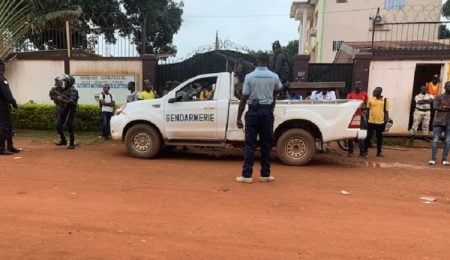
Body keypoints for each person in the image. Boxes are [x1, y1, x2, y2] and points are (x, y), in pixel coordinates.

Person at [236, 53, 282, 184]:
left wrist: (239, 118)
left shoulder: (249, 77)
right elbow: (279, 88)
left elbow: (244, 97)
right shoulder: (274, 76)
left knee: (250, 145)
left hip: (253, 112)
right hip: (267, 113)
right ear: (268, 63)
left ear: (257, 61)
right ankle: (265, 175)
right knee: (266, 145)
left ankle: (246, 176)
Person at [362, 87, 389, 158]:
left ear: (380, 92)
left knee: (379, 138)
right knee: (368, 137)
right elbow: (367, 111)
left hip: (380, 122)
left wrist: (385, 121)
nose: (373, 92)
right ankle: (365, 151)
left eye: (375, 91)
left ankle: (379, 152)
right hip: (371, 122)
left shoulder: (385, 101)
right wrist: (367, 120)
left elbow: (386, 112)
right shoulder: (370, 100)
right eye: (374, 90)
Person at [0, 59, 20, 155]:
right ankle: (1, 148)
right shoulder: (1, 79)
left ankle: (10, 146)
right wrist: (14, 104)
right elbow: (7, 94)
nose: (4, 67)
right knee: (5, 126)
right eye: (3, 65)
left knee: (8, 125)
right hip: (2, 106)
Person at [428, 82, 450, 166]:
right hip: (438, 122)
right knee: (435, 140)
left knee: (448, 141)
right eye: (447, 86)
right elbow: (434, 107)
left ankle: (444, 159)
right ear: (444, 87)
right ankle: (433, 158)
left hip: (449, 122)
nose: (449, 88)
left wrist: (444, 107)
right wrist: (446, 108)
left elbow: (439, 107)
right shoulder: (438, 97)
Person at [55, 75, 79, 149]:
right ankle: (63, 140)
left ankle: (72, 144)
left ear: (69, 82)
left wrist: (61, 99)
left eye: (65, 81)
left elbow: (72, 102)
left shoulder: (73, 90)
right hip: (62, 110)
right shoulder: (64, 89)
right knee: (58, 125)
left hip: (69, 111)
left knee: (70, 127)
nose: (64, 83)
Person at [346, 81, 368, 156]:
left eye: (360, 84)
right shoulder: (350, 95)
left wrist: (364, 111)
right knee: (351, 134)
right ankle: (350, 152)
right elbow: (347, 105)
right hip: (352, 117)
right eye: (358, 84)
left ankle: (362, 152)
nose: (360, 85)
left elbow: (365, 104)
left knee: (361, 134)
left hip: (361, 117)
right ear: (354, 86)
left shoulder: (364, 94)